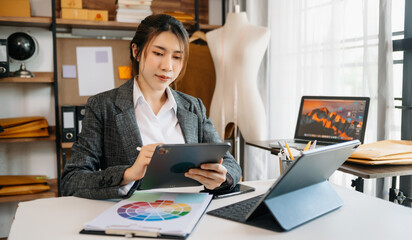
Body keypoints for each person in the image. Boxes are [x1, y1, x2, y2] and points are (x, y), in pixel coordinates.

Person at [61, 14, 242, 200]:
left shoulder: (193, 107)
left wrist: (223, 177)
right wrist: (128, 174)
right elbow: (71, 180)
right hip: (132, 217)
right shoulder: (102, 106)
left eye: (177, 57)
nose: (168, 66)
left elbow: (230, 164)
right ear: (136, 51)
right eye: (158, 53)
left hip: (189, 211)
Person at [206, 7, 270, 141]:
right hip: (219, 103)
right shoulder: (211, 36)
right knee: (214, 156)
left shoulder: (261, 33)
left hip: (250, 103)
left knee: (258, 154)